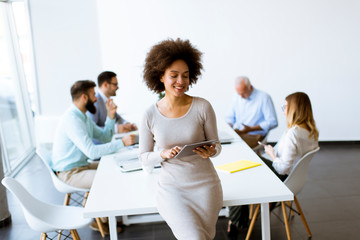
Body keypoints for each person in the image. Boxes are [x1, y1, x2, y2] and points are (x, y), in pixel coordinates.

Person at [139, 38, 223, 240]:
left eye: (185, 76)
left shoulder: (203, 107)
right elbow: (143, 157)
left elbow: (217, 145)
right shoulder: (150, 114)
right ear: (160, 76)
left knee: (204, 237)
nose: (181, 81)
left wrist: (212, 151)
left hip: (206, 186)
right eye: (174, 75)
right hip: (172, 190)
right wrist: (163, 154)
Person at [227, 92, 319, 239]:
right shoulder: (310, 131)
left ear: (294, 109)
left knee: (241, 174)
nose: (283, 110)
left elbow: (282, 168)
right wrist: (272, 152)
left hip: (282, 177)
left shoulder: (293, 133)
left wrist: (272, 154)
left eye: (285, 107)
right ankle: (237, 219)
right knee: (247, 169)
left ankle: (235, 221)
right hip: (295, 179)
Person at [51, 80, 135, 233]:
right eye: (93, 95)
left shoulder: (83, 117)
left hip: (81, 165)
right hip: (70, 173)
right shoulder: (72, 120)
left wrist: (110, 116)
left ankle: (114, 212)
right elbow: (91, 152)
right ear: (84, 97)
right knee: (106, 178)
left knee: (115, 166)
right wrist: (122, 143)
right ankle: (100, 221)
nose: (96, 99)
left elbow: (104, 137)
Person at [225, 76, 278, 148]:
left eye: (243, 93)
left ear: (250, 87)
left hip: (256, 135)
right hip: (239, 133)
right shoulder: (237, 97)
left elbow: (273, 122)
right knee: (222, 143)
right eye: (239, 93)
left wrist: (250, 129)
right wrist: (228, 127)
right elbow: (230, 118)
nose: (241, 96)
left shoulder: (264, 97)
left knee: (236, 146)